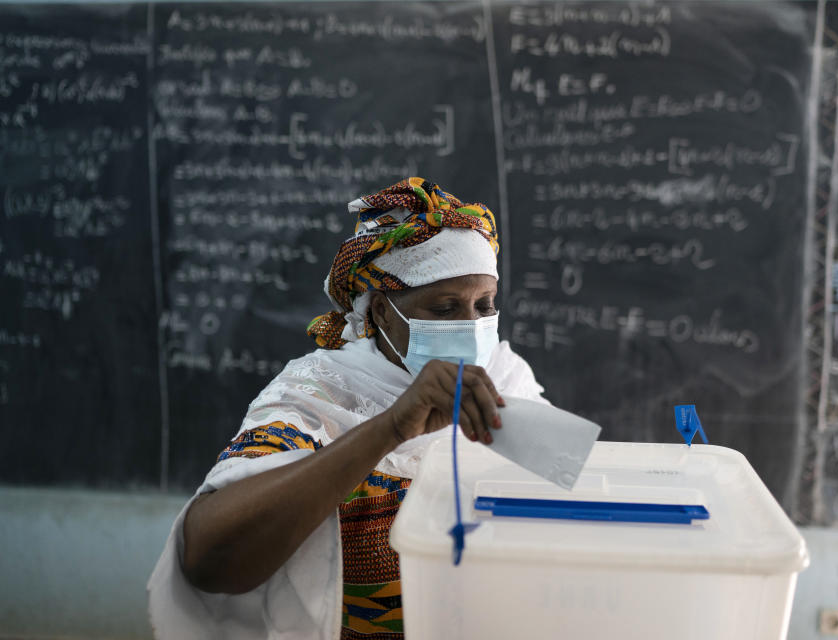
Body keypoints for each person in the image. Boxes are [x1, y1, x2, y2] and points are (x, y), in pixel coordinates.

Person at [148, 177, 547, 639]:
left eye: (484, 305)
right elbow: (207, 560)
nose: (472, 326)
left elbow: (575, 498)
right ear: (380, 312)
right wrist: (391, 428)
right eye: (444, 309)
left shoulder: (504, 379)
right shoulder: (319, 396)